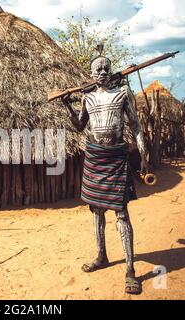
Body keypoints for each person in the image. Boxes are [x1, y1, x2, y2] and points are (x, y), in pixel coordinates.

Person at [62, 54, 148, 295]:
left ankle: (130, 269)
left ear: (111, 71)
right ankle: (102, 256)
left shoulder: (122, 94)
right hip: (95, 156)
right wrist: (67, 104)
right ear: (91, 74)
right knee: (96, 210)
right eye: (97, 69)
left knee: (121, 211)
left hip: (116, 156)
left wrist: (144, 156)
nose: (101, 72)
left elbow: (136, 126)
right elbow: (80, 126)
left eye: (105, 68)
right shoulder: (87, 98)